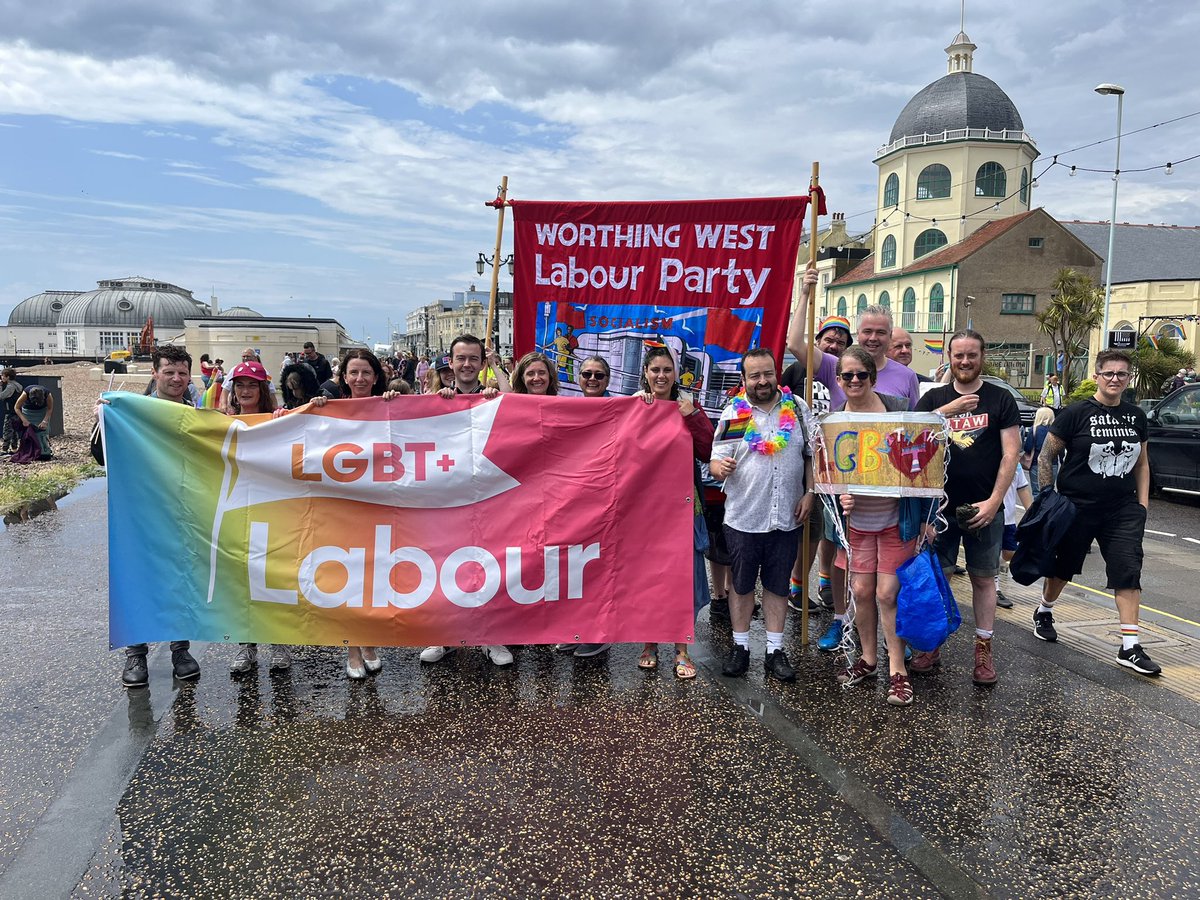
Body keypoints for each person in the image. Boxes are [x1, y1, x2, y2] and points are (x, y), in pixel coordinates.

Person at [1033, 350, 1160, 676]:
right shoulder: (1076, 413)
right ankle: (1045, 610)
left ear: (1128, 378)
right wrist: (1048, 498)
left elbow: (1142, 464)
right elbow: (1046, 455)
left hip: (1122, 508)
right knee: (1064, 569)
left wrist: (1142, 505)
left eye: (1121, 374)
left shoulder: (1135, 417)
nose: (1115, 379)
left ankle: (1129, 646)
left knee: (1128, 569)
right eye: (1109, 373)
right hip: (1077, 506)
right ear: (1097, 376)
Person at [828, 347, 936, 705]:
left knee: (888, 593)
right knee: (860, 592)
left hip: (895, 520)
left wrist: (924, 519)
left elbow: (921, 464)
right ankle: (868, 658)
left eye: (861, 374)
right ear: (839, 379)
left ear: (872, 376)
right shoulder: (833, 421)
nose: (854, 381)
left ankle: (897, 670)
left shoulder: (895, 411)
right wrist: (838, 496)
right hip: (856, 524)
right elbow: (827, 473)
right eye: (847, 375)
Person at [914, 329, 1020, 685]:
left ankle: (983, 650)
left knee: (984, 579)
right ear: (949, 356)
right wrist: (948, 410)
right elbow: (912, 441)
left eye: (971, 355)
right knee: (938, 576)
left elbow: (1011, 453)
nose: (964, 361)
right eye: (958, 355)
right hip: (939, 509)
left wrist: (994, 502)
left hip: (983, 507)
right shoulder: (936, 399)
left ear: (982, 356)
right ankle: (933, 643)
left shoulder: (1000, 399)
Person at [711, 347, 814, 683]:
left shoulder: (797, 410)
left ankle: (774, 650)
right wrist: (719, 466)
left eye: (768, 373)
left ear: (776, 373)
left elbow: (812, 456)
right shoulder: (736, 413)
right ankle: (740, 647)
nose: (762, 380)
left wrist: (810, 492)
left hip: (786, 516)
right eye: (754, 375)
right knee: (741, 586)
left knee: (778, 585)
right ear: (744, 380)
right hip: (744, 517)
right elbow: (715, 460)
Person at [303, 349, 400, 679]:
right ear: (343, 377)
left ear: (376, 376)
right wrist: (303, 412)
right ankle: (353, 647)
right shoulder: (329, 411)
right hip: (343, 507)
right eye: (353, 373)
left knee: (375, 577)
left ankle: (370, 641)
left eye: (366, 373)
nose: (360, 379)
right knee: (348, 576)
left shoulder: (390, 407)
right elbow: (295, 433)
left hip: (379, 505)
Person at [421, 335, 511, 667]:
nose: (467, 365)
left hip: (490, 498)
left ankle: (492, 638)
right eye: (461, 359)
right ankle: (444, 637)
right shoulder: (438, 401)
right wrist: (435, 401)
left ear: (481, 362)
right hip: (448, 498)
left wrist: (498, 373)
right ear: (451, 362)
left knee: (490, 566)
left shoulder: (494, 397)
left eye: (474, 358)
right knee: (445, 566)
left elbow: (519, 405)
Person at [118, 345, 203, 687]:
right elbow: (101, 457)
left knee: (180, 579)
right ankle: (135, 654)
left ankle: (180, 650)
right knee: (136, 577)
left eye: (182, 372)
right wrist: (104, 421)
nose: (176, 378)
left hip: (181, 512)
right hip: (138, 511)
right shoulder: (132, 411)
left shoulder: (196, 416)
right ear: (155, 373)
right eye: (169, 371)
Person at [635, 345, 714, 680]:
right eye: (655, 370)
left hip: (684, 505)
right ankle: (649, 644)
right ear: (646, 373)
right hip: (646, 509)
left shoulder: (688, 407)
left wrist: (692, 416)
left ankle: (682, 650)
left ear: (676, 372)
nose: (661, 376)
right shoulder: (635, 406)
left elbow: (708, 449)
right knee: (648, 577)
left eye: (667, 370)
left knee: (684, 577)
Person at [220, 361, 293, 676]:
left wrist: (284, 421)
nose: (245, 390)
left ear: (263, 388)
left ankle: (278, 642)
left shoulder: (280, 418)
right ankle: (245, 647)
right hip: (237, 509)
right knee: (240, 581)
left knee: (273, 576)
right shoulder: (222, 423)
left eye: (252, 385)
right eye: (240, 385)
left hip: (273, 508)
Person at [779, 312, 851, 626]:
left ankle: (823, 581)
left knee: (827, 528)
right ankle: (795, 585)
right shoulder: (796, 371)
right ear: (818, 341)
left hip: (834, 462)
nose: (834, 345)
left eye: (840, 341)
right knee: (803, 523)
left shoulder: (846, 376)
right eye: (829, 340)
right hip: (800, 457)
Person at [552, 355, 615, 659]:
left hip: (605, 502)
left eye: (599, 375)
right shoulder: (568, 409)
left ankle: (598, 633)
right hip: (573, 500)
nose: (592, 379)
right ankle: (575, 629)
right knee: (573, 569)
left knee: (598, 569)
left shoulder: (620, 410)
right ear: (578, 378)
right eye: (587, 374)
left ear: (608, 380)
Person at [995, 464, 1033, 609]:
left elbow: (1022, 488)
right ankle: (995, 588)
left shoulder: (1015, 466)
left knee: (1010, 553)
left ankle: (992, 570)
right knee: (992, 553)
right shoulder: (990, 457)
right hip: (991, 517)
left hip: (1009, 520)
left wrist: (1032, 513)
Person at [13, 383, 55, 462]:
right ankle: (29, 451)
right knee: (28, 433)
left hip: (42, 412)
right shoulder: (25, 393)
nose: (36, 404)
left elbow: (50, 409)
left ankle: (44, 451)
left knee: (43, 432)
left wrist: (45, 421)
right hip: (28, 412)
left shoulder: (48, 394)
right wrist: (24, 420)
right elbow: (16, 407)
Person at [1023, 406, 1057, 496]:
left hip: (1036, 463)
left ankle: (1039, 509)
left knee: (1037, 492)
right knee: (1049, 491)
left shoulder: (1034, 429)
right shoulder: (1056, 430)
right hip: (1053, 463)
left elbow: (1028, 447)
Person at [0, 368, 24, 453]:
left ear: (8, 377)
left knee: (7, 430)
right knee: (14, 430)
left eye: (3, 375)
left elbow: (2, 396)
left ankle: (4, 449)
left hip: (10, 411)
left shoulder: (10, 386)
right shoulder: (18, 385)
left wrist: (0, 386)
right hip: (17, 411)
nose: (1, 377)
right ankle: (14, 448)